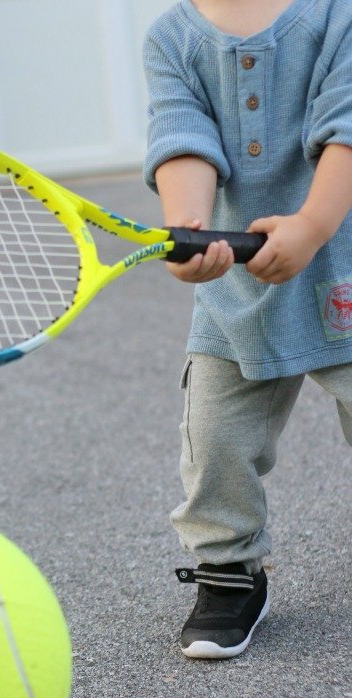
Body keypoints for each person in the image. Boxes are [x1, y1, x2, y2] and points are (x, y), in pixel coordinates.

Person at [142, 0, 352, 658]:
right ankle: (230, 573)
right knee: (214, 440)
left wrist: (312, 225)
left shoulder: (336, 16)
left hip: (343, 265)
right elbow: (182, 138)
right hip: (241, 289)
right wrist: (191, 232)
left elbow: (346, 126)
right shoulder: (171, 38)